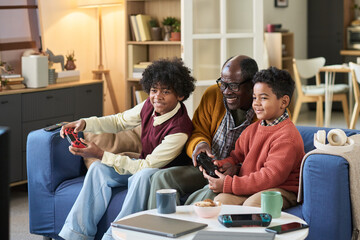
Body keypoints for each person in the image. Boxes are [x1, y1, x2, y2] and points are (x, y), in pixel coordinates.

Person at [58, 58, 196, 240]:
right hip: (143, 166)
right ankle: (76, 235)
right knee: (98, 169)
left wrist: (100, 154)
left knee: (142, 174)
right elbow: (119, 121)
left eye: (166, 91)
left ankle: (116, 236)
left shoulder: (180, 129)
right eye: (154, 90)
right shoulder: (149, 105)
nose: (157, 96)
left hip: (162, 175)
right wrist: (84, 124)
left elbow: (147, 166)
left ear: (180, 95)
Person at [147, 55, 259, 209]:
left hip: (234, 176)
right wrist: (200, 144)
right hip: (205, 168)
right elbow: (197, 130)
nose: (226, 92)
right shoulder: (213, 94)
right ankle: (156, 227)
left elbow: (262, 159)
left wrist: (237, 168)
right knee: (162, 177)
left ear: (252, 85)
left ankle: (183, 225)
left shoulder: (265, 109)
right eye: (223, 84)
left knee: (209, 192)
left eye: (233, 86)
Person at [186, 66, 305, 209]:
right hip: (254, 186)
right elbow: (237, 156)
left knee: (252, 204)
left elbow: (270, 177)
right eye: (255, 97)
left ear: (284, 102)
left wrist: (229, 184)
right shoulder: (252, 130)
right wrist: (226, 164)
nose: (256, 103)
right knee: (220, 202)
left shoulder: (287, 138)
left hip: (281, 189)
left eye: (264, 98)